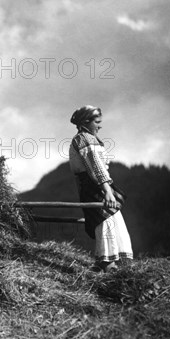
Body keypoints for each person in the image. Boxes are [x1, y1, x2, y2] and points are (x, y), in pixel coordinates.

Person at [68, 105, 133, 272]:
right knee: (105, 221)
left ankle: (113, 261)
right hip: (94, 185)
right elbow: (95, 167)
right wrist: (107, 191)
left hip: (96, 185)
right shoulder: (83, 139)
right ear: (85, 122)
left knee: (112, 219)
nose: (99, 126)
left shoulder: (88, 138)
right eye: (97, 122)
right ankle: (106, 263)